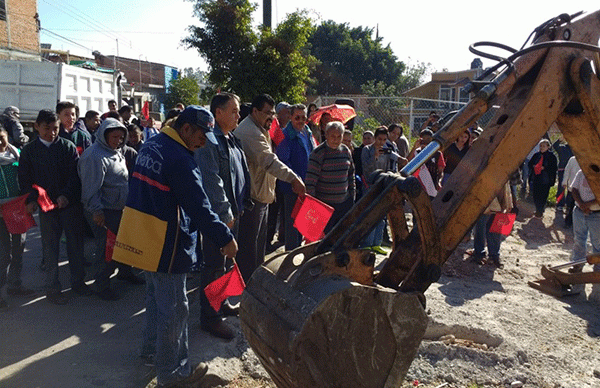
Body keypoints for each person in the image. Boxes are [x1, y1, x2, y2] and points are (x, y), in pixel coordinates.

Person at [130, 106, 238, 387]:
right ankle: (173, 374)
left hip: (142, 233)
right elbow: (199, 207)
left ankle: (151, 353)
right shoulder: (180, 159)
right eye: (201, 136)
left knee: (156, 301)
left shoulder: (153, 144)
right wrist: (224, 238)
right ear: (186, 128)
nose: (204, 143)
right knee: (175, 309)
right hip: (167, 241)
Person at [19, 109, 91, 305]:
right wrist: (31, 200)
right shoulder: (29, 151)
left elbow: (75, 176)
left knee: (75, 244)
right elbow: (25, 179)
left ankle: (78, 282)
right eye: (46, 128)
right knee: (50, 248)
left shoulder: (67, 147)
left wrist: (66, 196)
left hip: (69, 205)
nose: (51, 133)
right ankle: (53, 287)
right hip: (46, 208)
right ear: (36, 127)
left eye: (55, 128)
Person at [194, 93, 250, 340]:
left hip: (233, 212)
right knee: (214, 266)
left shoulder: (231, 139)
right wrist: (225, 213)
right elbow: (211, 181)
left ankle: (222, 303)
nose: (238, 115)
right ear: (218, 112)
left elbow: (240, 173)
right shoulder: (210, 142)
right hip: (219, 216)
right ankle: (210, 317)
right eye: (234, 111)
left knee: (227, 264)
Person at [235, 94, 305, 281]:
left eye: (273, 114)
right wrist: (293, 178)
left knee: (257, 249)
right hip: (252, 198)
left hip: (261, 196)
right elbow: (269, 161)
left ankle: (253, 284)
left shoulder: (260, 128)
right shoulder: (250, 131)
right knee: (248, 252)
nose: (271, 118)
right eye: (267, 113)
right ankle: (246, 290)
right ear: (255, 111)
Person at [78, 118, 143, 301]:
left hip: (119, 208)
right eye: (115, 137)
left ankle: (124, 271)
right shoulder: (94, 156)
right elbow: (90, 189)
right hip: (103, 211)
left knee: (123, 244)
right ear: (104, 135)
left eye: (121, 137)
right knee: (106, 249)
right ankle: (101, 284)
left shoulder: (115, 152)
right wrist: (97, 212)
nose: (119, 140)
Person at [276, 104, 316, 250]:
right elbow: (283, 161)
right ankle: (291, 255)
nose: (300, 121)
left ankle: (301, 253)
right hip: (292, 186)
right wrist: (296, 180)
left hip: (307, 184)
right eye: (297, 117)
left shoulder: (307, 132)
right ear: (290, 117)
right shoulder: (286, 135)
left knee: (304, 223)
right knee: (293, 224)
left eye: (303, 118)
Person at [0, 127, 32, 309]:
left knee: (19, 248)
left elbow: (27, 178)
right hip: (0, 213)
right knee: (3, 254)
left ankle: (15, 285)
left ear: (7, 137)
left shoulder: (18, 156)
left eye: (1, 138)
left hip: (18, 210)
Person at [305, 121, 355, 234]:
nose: (336, 139)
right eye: (333, 136)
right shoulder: (318, 154)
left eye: (339, 136)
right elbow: (310, 183)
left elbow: (351, 174)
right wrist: (314, 207)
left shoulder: (346, 151)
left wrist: (352, 196)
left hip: (343, 204)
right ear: (326, 135)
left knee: (343, 237)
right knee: (325, 240)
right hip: (324, 206)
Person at [361, 127, 398, 252]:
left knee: (381, 215)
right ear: (374, 138)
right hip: (370, 187)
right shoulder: (367, 150)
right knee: (370, 215)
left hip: (383, 186)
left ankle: (377, 243)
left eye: (384, 139)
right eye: (379, 139)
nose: (381, 142)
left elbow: (394, 158)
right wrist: (375, 157)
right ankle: (367, 244)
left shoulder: (386, 150)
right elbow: (366, 168)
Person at [472, 182, 513, 268]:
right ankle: (479, 254)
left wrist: (508, 202)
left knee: (495, 231)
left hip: (499, 200)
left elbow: (506, 185)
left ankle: (494, 255)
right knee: (480, 229)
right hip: (485, 199)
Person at [569, 169, 600, 273]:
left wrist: (587, 205)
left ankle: (598, 268)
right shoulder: (581, 172)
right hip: (579, 211)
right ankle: (577, 264)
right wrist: (581, 204)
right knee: (579, 239)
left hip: (596, 213)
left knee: (598, 243)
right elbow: (574, 189)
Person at [528, 139, 557, 218]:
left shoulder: (552, 156)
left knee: (543, 196)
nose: (542, 148)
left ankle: (539, 211)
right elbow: (530, 164)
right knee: (535, 195)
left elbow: (554, 168)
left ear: (548, 147)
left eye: (544, 146)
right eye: (540, 146)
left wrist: (545, 168)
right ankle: (538, 209)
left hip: (545, 180)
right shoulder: (536, 155)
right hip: (536, 178)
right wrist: (534, 166)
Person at [552, 136, 573, 209]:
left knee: (571, 188)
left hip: (572, 170)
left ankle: (569, 204)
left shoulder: (575, 149)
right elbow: (554, 145)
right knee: (561, 187)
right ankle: (560, 204)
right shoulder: (563, 147)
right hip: (562, 170)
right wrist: (560, 139)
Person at [562, 155, 580, 228]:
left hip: (582, 189)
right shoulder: (573, 159)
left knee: (577, 206)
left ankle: (574, 222)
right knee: (570, 205)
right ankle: (568, 222)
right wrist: (564, 182)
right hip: (572, 187)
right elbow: (567, 171)